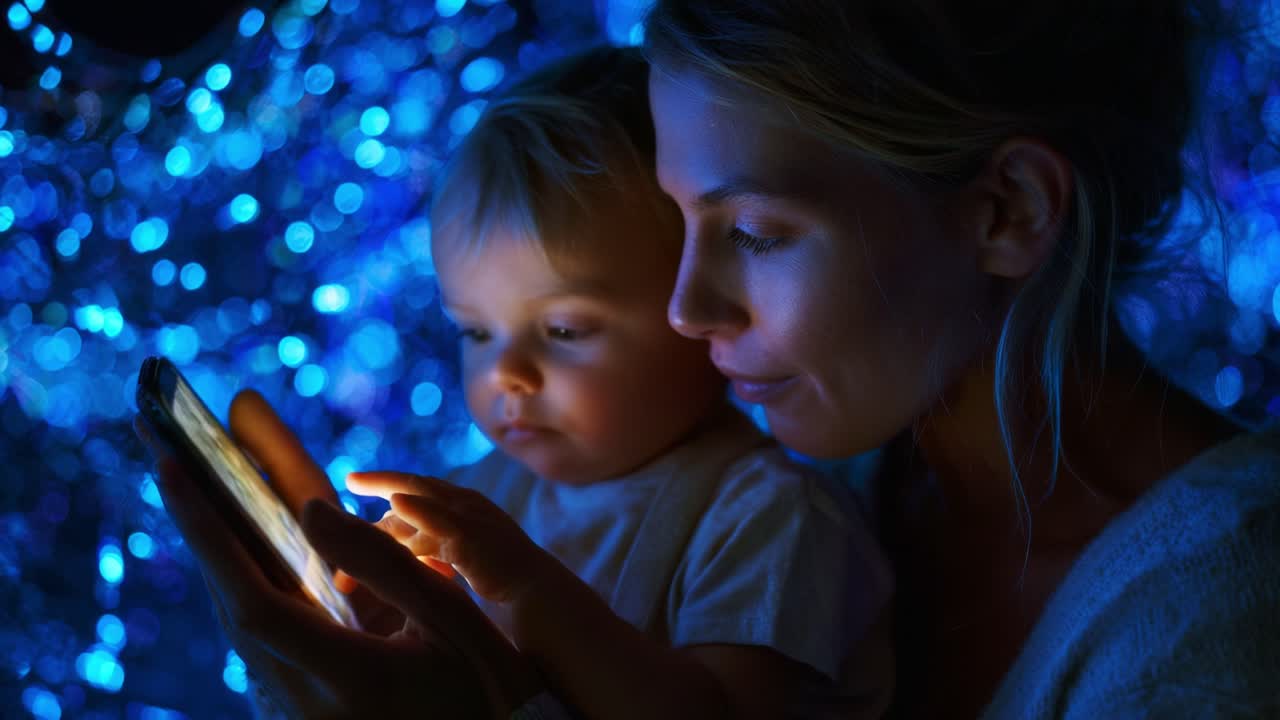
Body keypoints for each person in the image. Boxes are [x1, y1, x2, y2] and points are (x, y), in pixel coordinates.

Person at [136, 0, 1280, 717]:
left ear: (1006, 209)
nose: (684, 307)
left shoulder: (1223, 631)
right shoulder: (858, 474)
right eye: (675, 225)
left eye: (752, 233)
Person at [344, 45, 891, 719]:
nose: (505, 374)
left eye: (565, 331)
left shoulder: (770, 519)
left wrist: (527, 589)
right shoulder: (492, 494)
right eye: (476, 333)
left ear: (696, 308)